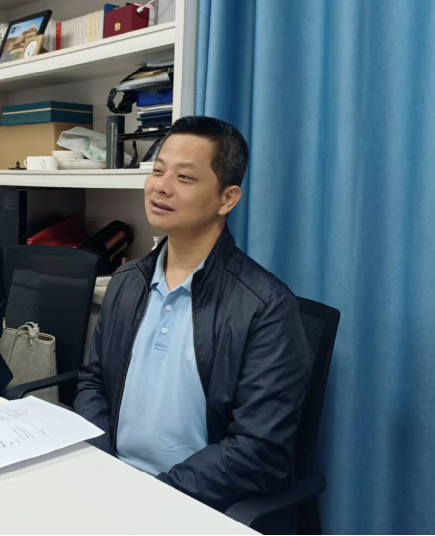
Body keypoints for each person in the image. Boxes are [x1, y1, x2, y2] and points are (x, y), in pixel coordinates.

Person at [74, 116, 310, 512]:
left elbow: (258, 450)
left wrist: (154, 495)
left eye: (184, 177)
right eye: (157, 171)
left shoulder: (266, 306)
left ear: (226, 199)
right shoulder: (128, 280)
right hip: (111, 482)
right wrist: (104, 465)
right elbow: (93, 381)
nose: (161, 186)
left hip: (192, 501)